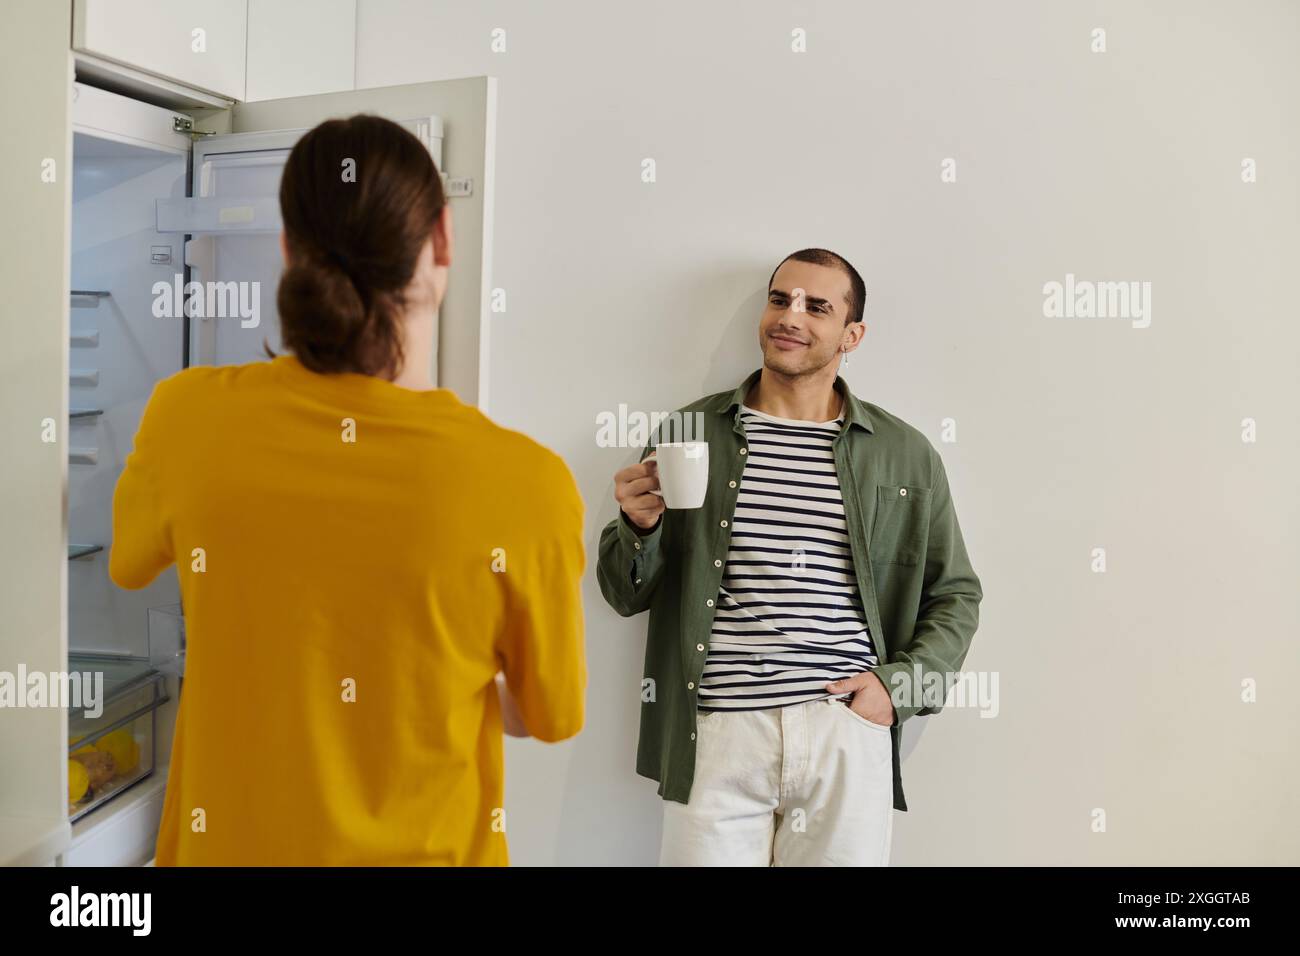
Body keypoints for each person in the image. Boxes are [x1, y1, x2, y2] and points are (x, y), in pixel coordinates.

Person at [110, 115, 586, 866]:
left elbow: (128, 562)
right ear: (443, 242)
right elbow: (543, 714)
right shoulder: (527, 484)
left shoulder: (185, 416)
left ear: (289, 250)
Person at [597, 248, 982, 866]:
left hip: (843, 728)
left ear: (851, 335)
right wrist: (637, 527)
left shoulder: (905, 455)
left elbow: (955, 593)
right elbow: (623, 593)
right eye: (780, 299)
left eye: (816, 306)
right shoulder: (687, 434)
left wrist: (896, 690)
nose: (789, 316)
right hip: (716, 732)